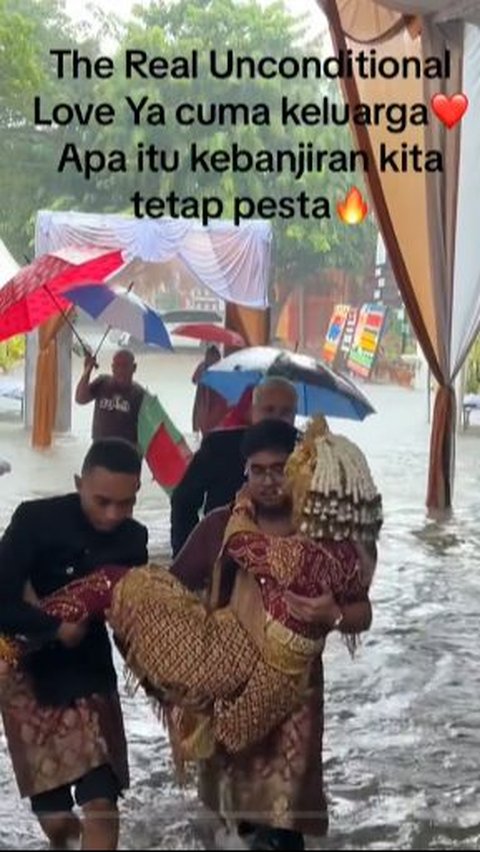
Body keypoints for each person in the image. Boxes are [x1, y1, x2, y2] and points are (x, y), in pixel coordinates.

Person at [169, 418, 378, 851]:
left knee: (285, 822)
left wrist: (334, 613)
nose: (268, 480)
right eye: (257, 470)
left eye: (279, 468)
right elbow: (174, 589)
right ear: (244, 472)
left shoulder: (323, 534)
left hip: (297, 698)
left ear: (300, 469)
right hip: (228, 688)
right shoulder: (219, 527)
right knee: (237, 820)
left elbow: (363, 613)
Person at [0, 439, 148, 851]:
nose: (113, 515)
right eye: (102, 501)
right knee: (58, 824)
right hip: (27, 678)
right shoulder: (34, 521)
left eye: (126, 503)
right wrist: (52, 627)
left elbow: (138, 620)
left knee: (102, 803)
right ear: (79, 483)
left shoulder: (133, 541)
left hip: (89, 676)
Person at [170, 377, 298, 556]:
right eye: (269, 410)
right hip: (223, 553)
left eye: (285, 412)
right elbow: (183, 500)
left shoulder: (309, 453)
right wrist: (190, 551)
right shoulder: (219, 445)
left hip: (289, 555)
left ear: (295, 414)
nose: (276, 419)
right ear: (253, 411)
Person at [75, 349, 145, 446]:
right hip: (99, 448)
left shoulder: (139, 394)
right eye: (117, 366)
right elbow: (80, 399)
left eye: (125, 366)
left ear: (134, 368)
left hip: (125, 451)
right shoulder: (102, 383)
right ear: (112, 368)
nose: (121, 370)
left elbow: (145, 435)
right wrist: (87, 370)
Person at [191, 344, 227, 436]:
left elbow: (197, 401)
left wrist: (195, 425)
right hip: (218, 416)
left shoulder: (202, 368)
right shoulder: (222, 370)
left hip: (204, 417)